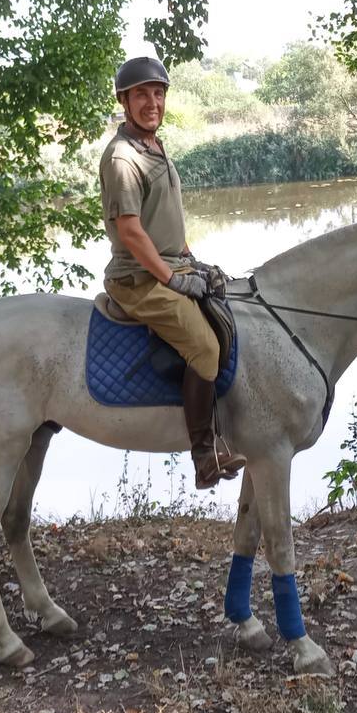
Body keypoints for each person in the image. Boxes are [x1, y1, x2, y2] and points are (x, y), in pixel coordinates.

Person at [99, 54, 248, 489]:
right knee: (204, 348)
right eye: (142, 94)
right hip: (138, 278)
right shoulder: (123, 157)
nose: (152, 102)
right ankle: (204, 455)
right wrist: (171, 277)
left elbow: (165, 222)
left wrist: (194, 261)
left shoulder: (155, 146)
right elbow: (130, 231)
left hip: (170, 263)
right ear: (125, 102)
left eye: (158, 93)